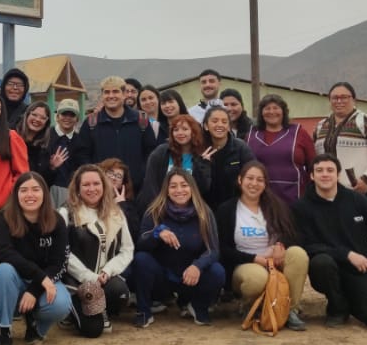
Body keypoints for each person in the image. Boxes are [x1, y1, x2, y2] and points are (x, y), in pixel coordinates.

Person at [294, 154, 367, 330]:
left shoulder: (358, 201)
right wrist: (346, 254)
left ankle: (349, 298)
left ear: (338, 175)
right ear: (312, 176)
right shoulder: (301, 207)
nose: (325, 174)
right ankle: (337, 308)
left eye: (330, 170)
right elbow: (305, 246)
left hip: (358, 269)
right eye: (319, 171)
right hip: (325, 269)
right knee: (322, 262)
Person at [215, 162, 307, 331]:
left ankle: (289, 309)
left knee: (298, 254)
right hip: (245, 265)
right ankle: (252, 306)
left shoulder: (276, 206)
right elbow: (223, 249)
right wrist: (255, 259)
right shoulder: (227, 209)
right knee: (257, 278)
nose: (254, 184)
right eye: (249, 178)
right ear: (240, 180)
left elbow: (295, 235)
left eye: (260, 180)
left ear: (265, 184)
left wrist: (280, 245)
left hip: (274, 261)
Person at [0, 173, 71, 345]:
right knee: (3, 270)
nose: (30, 195)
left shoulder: (56, 221)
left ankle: (36, 329)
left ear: (44, 193)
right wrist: (39, 278)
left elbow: (59, 263)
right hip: (12, 281)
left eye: (36, 189)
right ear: (16, 194)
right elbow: (4, 254)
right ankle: (4, 333)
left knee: (62, 304)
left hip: (42, 282)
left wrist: (35, 289)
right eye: (23, 190)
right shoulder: (3, 218)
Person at [131, 168, 224, 328]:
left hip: (191, 278)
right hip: (162, 278)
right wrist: (157, 233)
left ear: (192, 188)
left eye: (184, 185)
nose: (179, 190)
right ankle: (144, 310)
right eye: (173, 186)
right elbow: (140, 245)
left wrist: (197, 266)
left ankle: (197, 306)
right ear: (166, 190)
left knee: (217, 271)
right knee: (141, 260)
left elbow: (213, 250)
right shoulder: (155, 211)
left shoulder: (204, 213)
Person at [59, 165, 133, 337]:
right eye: (86, 185)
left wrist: (108, 271)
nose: (92, 189)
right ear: (77, 188)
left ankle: (102, 309)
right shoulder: (66, 213)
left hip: (103, 277)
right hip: (77, 280)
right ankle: (71, 310)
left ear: (103, 186)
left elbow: (127, 249)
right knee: (93, 331)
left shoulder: (116, 213)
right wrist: (88, 277)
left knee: (120, 293)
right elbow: (62, 252)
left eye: (96, 184)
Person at [71, 76, 157, 195]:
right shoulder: (91, 122)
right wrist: (97, 177)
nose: (111, 96)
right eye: (107, 92)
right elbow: (82, 156)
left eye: (115, 91)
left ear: (123, 94)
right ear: (102, 96)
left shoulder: (141, 120)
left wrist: (139, 176)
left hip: (135, 191)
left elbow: (151, 153)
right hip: (101, 192)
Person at [314, 82, 367, 206]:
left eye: (344, 97)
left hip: (359, 189)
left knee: (360, 225)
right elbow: (317, 157)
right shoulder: (321, 125)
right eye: (335, 98)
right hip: (328, 191)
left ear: (353, 99)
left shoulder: (366, 121)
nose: (339, 101)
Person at [137, 114, 213, 235]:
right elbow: (150, 185)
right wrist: (158, 212)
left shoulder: (201, 156)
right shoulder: (161, 153)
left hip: (190, 215)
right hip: (162, 212)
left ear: (193, 131)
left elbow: (203, 189)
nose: (180, 133)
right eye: (176, 130)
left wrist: (203, 165)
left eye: (185, 129)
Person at [247, 95, 315, 205]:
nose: (271, 111)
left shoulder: (299, 133)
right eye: (267, 108)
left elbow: (313, 165)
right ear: (261, 113)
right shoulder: (251, 135)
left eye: (276, 108)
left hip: (294, 198)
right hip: (259, 197)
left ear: (283, 111)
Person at [201, 106, 256, 212]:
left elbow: (252, 176)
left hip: (236, 209)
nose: (220, 125)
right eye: (215, 121)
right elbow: (198, 186)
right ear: (206, 126)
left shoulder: (241, 148)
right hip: (206, 211)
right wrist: (203, 164)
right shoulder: (199, 149)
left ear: (229, 126)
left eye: (224, 121)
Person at [47, 99, 79, 208]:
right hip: (48, 188)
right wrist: (51, 167)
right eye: (64, 114)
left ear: (77, 119)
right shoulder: (46, 136)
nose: (67, 118)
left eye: (72, 115)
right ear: (57, 116)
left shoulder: (80, 141)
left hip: (72, 191)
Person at [15, 102, 54, 188]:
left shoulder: (46, 146)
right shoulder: (13, 138)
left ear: (46, 122)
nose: (37, 119)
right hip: (13, 190)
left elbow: (45, 181)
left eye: (43, 118)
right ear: (27, 115)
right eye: (34, 115)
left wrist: (52, 167)